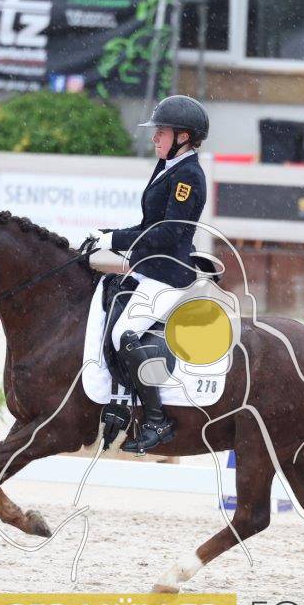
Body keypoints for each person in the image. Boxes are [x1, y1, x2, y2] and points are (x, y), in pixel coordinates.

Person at [88, 95, 209, 453]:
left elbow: (168, 231)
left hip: (168, 274)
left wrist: (115, 240)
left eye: (162, 132)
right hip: (149, 268)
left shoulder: (188, 175)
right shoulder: (167, 166)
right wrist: (109, 235)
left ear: (183, 137)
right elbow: (148, 225)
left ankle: (157, 419)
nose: (155, 137)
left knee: (124, 334)